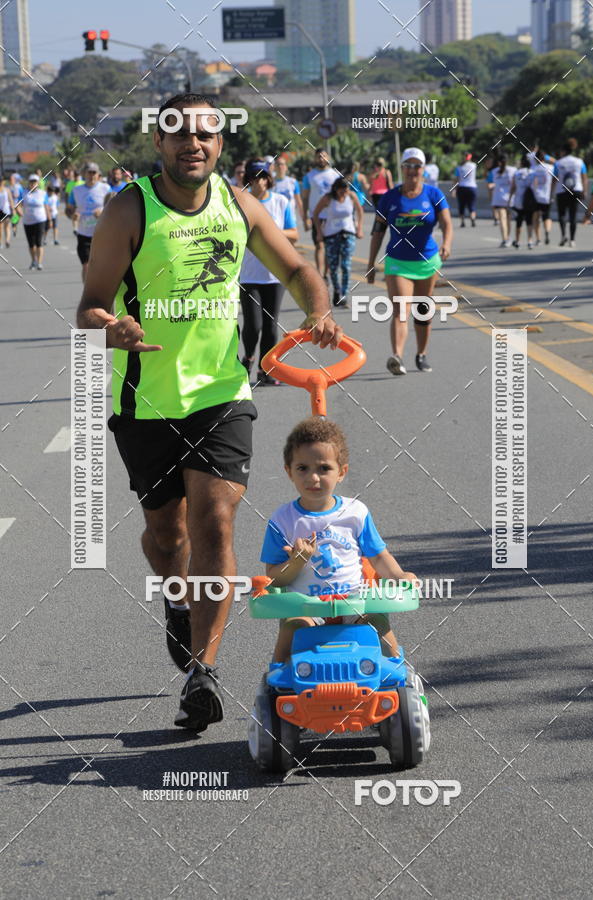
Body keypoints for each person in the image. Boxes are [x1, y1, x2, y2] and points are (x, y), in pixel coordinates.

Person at [76, 92, 341, 733]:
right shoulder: (129, 208)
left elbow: (298, 268)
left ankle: (203, 671)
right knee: (169, 537)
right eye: (179, 134)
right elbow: (89, 306)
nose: (192, 144)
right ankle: (177, 602)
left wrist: (318, 309)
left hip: (223, 394)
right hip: (144, 402)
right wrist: (113, 329)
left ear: (220, 144)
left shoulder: (239, 204)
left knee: (215, 523)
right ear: (159, 142)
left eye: (205, 134)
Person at [260, 417, 417, 662]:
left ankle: (398, 673)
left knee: (376, 624)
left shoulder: (355, 513)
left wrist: (399, 576)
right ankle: (277, 677)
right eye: (303, 468)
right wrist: (297, 562)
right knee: (293, 628)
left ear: (341, 472)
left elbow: (378, 556)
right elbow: (274, 578)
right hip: (306, 608)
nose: (313, 478)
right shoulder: (282, 520)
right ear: (289, 471)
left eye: (324, 468)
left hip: (355, 604)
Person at [366, 147, 452, 375]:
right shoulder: (389, 198)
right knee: (400, 310)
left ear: (423, 169)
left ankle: (421, 354)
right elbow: (378, 232)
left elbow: (446, 223)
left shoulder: (434, 194)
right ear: (402, 168)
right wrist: (371, 264)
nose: (413, 170)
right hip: (398, 262)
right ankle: (397, 356)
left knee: (423, 309)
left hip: (427, 261)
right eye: (408, 166)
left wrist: (446, 243)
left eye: (417, 166)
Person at [239, 159, 298, 385]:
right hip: (249, 275)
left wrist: (270, 232)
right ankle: (248, 357)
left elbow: (293, 234)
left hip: (275, 275)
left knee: (270, 326)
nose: (259, 182)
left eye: (263, 177)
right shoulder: (242, 203)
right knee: (253, 326)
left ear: (269, 179)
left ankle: (266, 369)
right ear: (248, 180)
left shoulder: (281, 202)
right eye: (254, 177)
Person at [313, 176, 363, 307]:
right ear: (335, 189)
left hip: (348, 233)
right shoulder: (328, 198)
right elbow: (316, 214)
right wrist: (319, 232)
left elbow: (360, 211)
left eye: (346, 190)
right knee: (333, 267)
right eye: (341, 191)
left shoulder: (351, 196)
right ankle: (336, 289)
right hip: (331, 235)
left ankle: (344, 294)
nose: (344, 193)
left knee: (346, 266)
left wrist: (359, 228)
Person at [66, 163, 113, 280]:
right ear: (84, 174)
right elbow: (68, 209)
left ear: (98, 175)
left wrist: (103, 213)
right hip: (83, 234)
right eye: (89, 173)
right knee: (86, 266)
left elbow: (114, 208)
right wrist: (72, 215)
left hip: (101, 234)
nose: (91, 175)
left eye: (94, 173)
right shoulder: (76, 190)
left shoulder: (106, 188)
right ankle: (87, 291)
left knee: (101, 266)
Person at [301, 148, 339, 278]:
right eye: (319, 156)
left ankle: (326, 274)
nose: (321, 159)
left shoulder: (335, 176)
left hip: (332, 216)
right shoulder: (309, 176)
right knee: (319, 245)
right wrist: (305, 217)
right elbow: (305, 197)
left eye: (324, 156)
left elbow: (340, 196)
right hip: (316, 216)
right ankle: (319, 273)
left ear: (328, 158)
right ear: (315, 159)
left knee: (329, 247)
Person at [552, 138, 588, 248]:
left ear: (564, 151)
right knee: (573, 215)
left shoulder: (558, 163)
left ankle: (563, 235)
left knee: (562, 214)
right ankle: (572, 240)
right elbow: (584, 178)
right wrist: (585, 191)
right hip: (576, 190)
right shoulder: (579, 162)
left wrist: (552, 192)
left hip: (561, 191)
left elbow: (554, 179)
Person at [21, 174, 50, 269]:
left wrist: (49, 219)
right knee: (31, 244)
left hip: (40, 220)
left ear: (37, 183)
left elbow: (46, 206)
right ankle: (33, 260)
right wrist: (20, 213)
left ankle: (39, 263)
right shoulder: (24, 193)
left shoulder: (43, 193)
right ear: (28, 183)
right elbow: (18, 205)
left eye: (34, 182)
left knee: (39, 242)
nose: (33, 184)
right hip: (28, 221)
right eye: (31, 182)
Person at [489, 154, 516, 247]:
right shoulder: (513, 170)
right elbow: (515, 185)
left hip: (498, 198)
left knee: (502, 219)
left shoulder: (493, 171)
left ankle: (505, 239)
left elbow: (490, 184)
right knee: (508, 219)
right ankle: (507, 237)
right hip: (509, 198)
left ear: (498, 162)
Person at [510, 156, 536, 250]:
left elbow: (513, 187)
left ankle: (517, 241)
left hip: (519, 200)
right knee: (529, 221)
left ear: (521, 163)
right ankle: (530, 241)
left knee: (519, 221)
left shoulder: (517, 173)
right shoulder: (533, 173)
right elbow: (535, 186)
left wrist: (509, 198)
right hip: (529, 201)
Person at [530, 149, 554, 246]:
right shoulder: (551, 168)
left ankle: (538, 239)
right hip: (547, 196)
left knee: (536, 217)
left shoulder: (533, 169)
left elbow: (531, 183)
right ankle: (547, 231)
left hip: (535, 196)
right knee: (547, 216)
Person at [273, 156, 303, 222]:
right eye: (278, 164)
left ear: (286, 167)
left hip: (290, 220)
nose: (280, 166)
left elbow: (299, 202)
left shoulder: (293, 182)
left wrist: (305, 218)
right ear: (274, 167)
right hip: (275, 221)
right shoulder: (269, 183)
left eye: (282, 164)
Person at [452, 151, 477, 227]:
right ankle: (472, 218)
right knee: (472, 205)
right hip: (472, 187)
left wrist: (454, 189)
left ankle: (462, 222)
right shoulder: (474, 165)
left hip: (462, 187)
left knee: (461, 206)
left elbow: (456, 179)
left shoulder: (458, 168)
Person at [0, 173, 15, 249]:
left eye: (2, 181)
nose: (1, 182)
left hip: (6, 210)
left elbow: (11, 200)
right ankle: (0, 242)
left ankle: (7, 241)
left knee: (7, 226)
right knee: (0, 227)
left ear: (4, 181)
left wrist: (13, 210)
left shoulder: (7, 190)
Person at [8, 173, 24, 238]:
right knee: (13, 216)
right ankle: (14, 226)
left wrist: (21, 203)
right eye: (10, 180)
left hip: (18, 204)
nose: (11, 181)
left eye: (12, 180)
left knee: (18, 215)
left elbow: (21, 195)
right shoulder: (8, 187)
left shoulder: (18, 187)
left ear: (14, 180)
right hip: (11, 205)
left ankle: (15, 224)